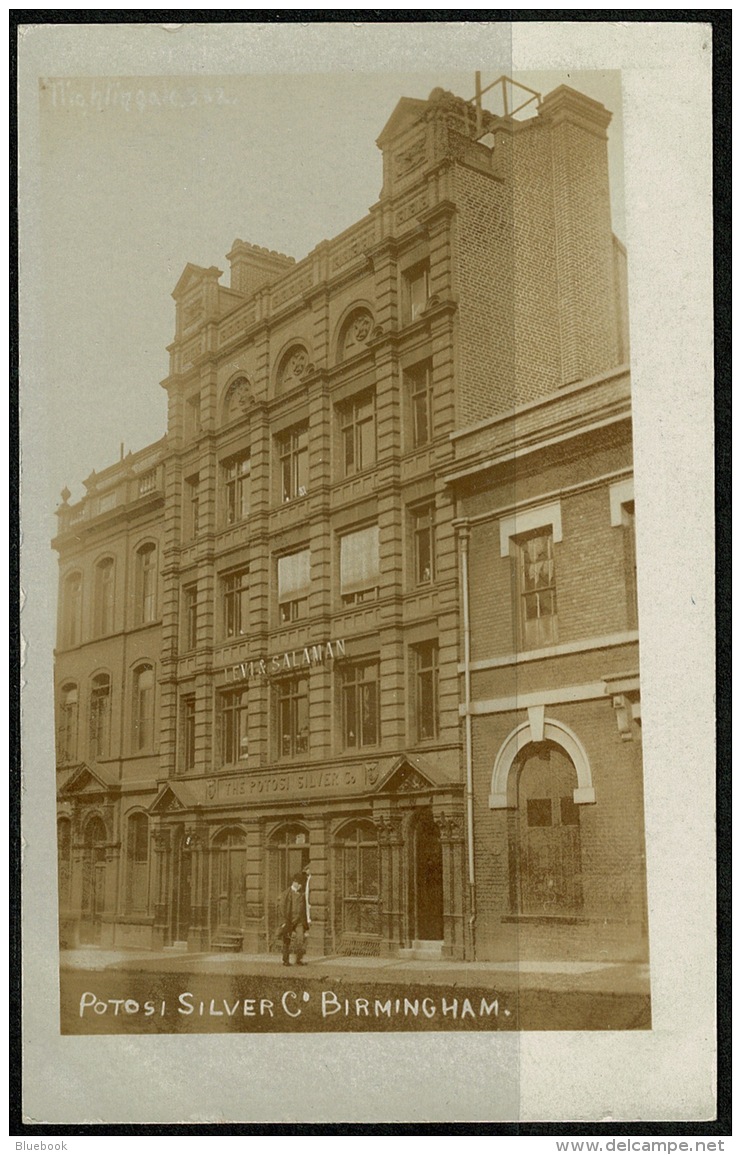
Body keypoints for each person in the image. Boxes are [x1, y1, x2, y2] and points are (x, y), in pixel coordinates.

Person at [279, 871, 310, 966]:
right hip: (288, 920)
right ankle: (285, 960)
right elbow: (282, 908)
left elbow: (303, 909)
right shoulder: (286, 894)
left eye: (302, 884)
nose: (301, 886)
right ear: (295, 882)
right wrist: (284, 922)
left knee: (300, 939)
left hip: (299, 922)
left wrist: (305, 922)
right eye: (300, 884)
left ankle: (298, 959)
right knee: (286, 941)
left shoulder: (301, 894)